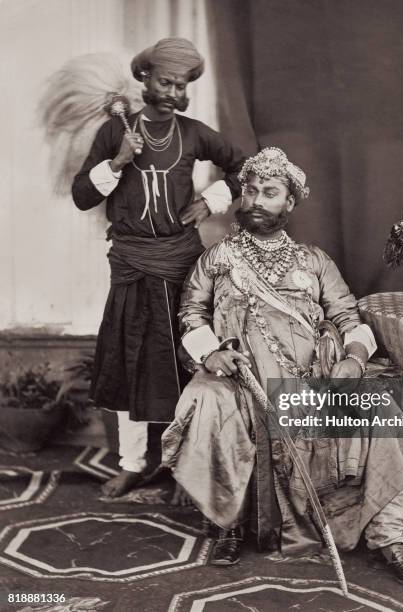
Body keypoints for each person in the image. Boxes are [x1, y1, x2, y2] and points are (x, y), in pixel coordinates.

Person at [161, 147, 403, 587]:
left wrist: (353, 359)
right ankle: (229, 524)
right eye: (250, 191)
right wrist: (211, 354)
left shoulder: (314, 260)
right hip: (240, 377)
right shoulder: (217, 258)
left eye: (269, 193)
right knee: (207, 400)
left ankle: (392, 540)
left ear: (289, 203)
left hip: (309, 378)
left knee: (380, 412)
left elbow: (349, 318)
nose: (254, 201)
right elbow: (190, 314)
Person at [71, 37, 244, 498]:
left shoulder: (193, 133)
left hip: (181, 264)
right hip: (129, 263)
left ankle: (183, 464)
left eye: (182, 85)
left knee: (185, 360)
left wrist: (211, 201)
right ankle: (132, 463)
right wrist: (120, 160)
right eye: (166, 81)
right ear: (144, 77)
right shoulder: (114, 133)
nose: (173, 92)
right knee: (130, 363)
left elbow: (243, 167)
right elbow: (83, 196)